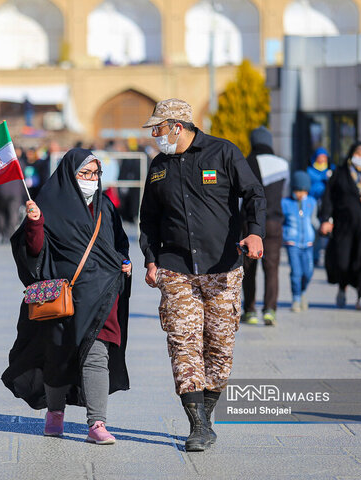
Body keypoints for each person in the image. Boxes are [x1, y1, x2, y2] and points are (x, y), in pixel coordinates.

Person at [139, 99, 266, 451]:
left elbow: (254, 192)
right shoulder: (158, 166)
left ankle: (207, 415)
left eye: (158, 127)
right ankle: (197, 425)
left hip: (222, 268)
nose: (154, 134)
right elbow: (148, 218)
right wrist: (151, 259)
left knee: (219, 348)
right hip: (175, 268)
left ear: (177, 126)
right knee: (183, 342)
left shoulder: (223, 153)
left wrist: (255, 231)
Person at [2, 148, 132, 444]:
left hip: (101, 295)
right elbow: (34, 251)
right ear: (68, 174)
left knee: (97, 354)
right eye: (84, 173)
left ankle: (97, 423)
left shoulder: (106, 207)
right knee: (57, 356)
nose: (91, 179)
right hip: (63, 298)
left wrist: (124, 261)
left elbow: (119, 243)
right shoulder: (49, 204)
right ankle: (55, 413)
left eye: (95, 174)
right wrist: (34, 223)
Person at [319, 142, 361, 312]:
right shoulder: (340, 173)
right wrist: (326, 219)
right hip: (344, 226)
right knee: (343, 261)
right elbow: (328, 198)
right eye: (358, 153)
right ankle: (342, 287)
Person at [241, 127, 289, 326]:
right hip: (274, 222)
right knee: (272, 268)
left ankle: (250, 310)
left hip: (249, 223)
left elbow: (238, 197)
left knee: (248, 268)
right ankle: (270, 310)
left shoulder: (245, 163)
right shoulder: (282, 164)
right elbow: (285, 193)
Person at [281, 171, 317, 312]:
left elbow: (314, 220)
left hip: (308, 243)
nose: (300, 194)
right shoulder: (286, 203)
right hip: (292, 243)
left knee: (308, 272)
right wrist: (285, 235)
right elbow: (282, 222)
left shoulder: (312, 202)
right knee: (296, 272)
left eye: (302, 190)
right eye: (297, 190)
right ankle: (296, 298)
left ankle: (302, 292)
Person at [306, 147, 336, 267]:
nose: (322, 159)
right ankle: (314, 256)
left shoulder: (331, 170)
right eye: (320, 157)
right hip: (314, 204)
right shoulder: (310, 171)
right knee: (316, 228)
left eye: (324, 157)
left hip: (328, 204)